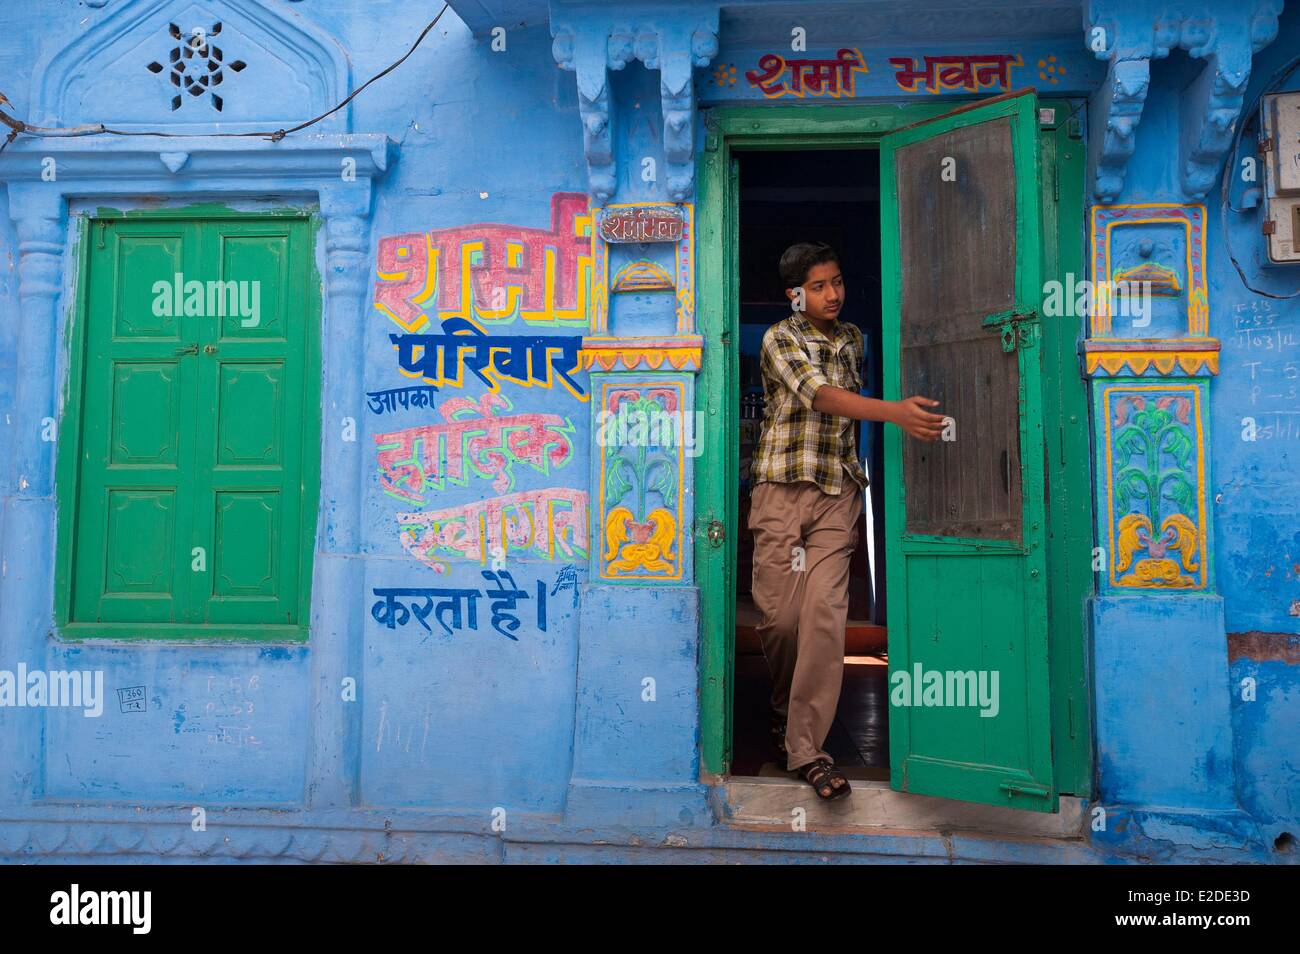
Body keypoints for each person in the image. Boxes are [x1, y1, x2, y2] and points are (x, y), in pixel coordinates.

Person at [748, 241, 944, 800]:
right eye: (818, 286)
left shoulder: (855, 337)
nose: (833, 293)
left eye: (837, 281)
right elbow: (822, 397)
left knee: (825, 620)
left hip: (838, 493)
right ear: (795, 294)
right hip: (782, 490)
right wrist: (895, 412)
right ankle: (789, 712)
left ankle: (806, 750)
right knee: (782, 620)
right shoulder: (779, 338)